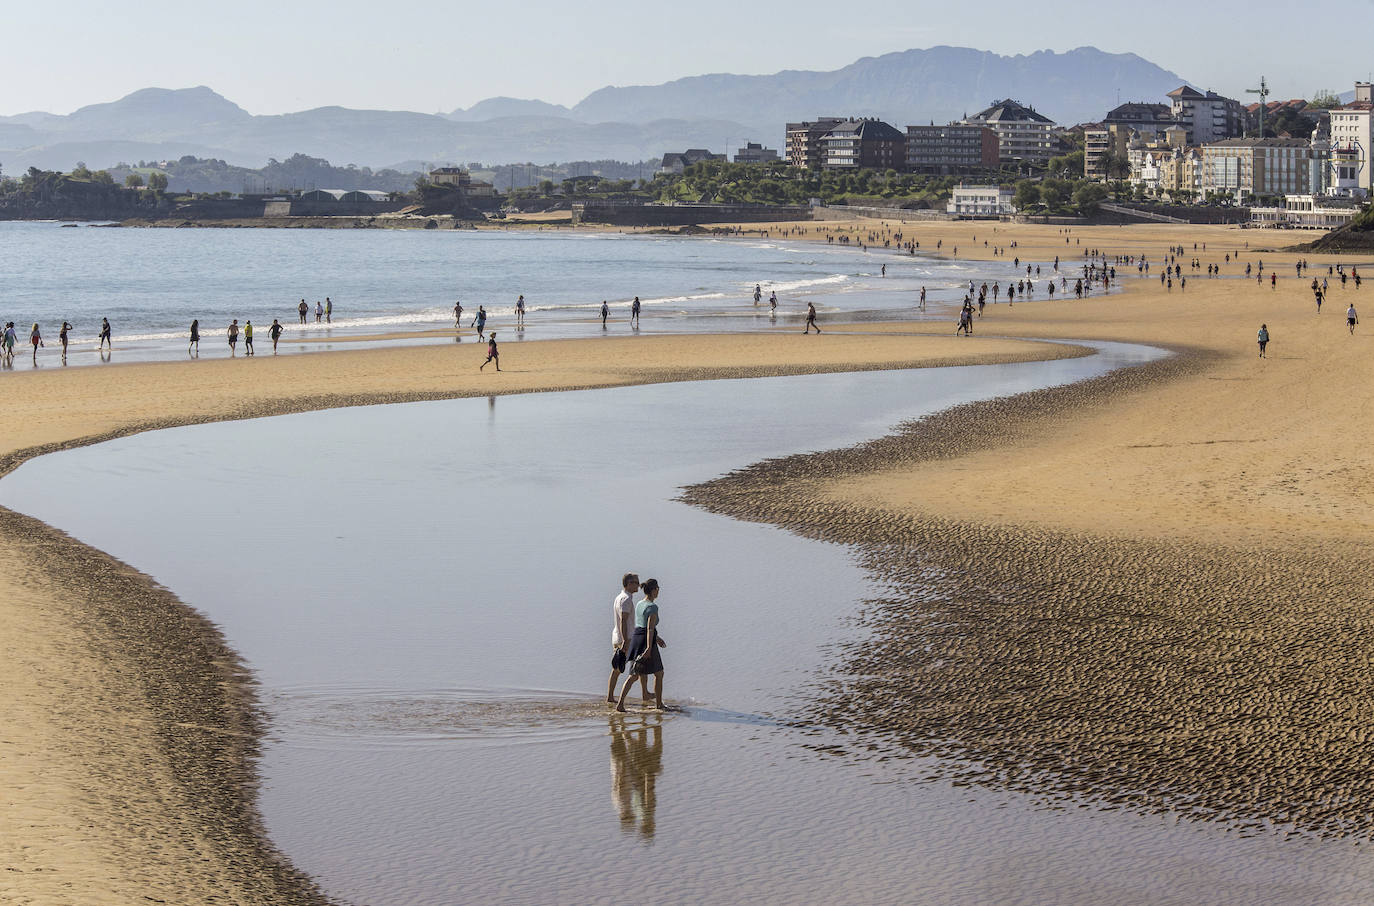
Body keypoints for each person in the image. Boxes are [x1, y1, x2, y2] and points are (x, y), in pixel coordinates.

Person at [615, 578, 666, 712]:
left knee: (634, 675)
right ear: (654, 590)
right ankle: (659, 705)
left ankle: (620, 704)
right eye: (658, 588)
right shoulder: (652, 607)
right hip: (646, 641)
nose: (658, 591)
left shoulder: (639, 603)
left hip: (637, 639)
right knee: (659, 673)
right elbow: (649, 628)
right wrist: (649, 647)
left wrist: (657, 638)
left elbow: (642, 625)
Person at [607, 573, 648, 704]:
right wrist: (625, 640)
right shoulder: (626, 600)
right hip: (627, 639)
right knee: (638, 667)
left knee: (618, 669)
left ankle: (611, 697)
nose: (638, 585)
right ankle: (644, 694)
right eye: (636, 582)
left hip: (618, 637)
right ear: (629, 584)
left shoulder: (619, 597)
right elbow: (623, 620)